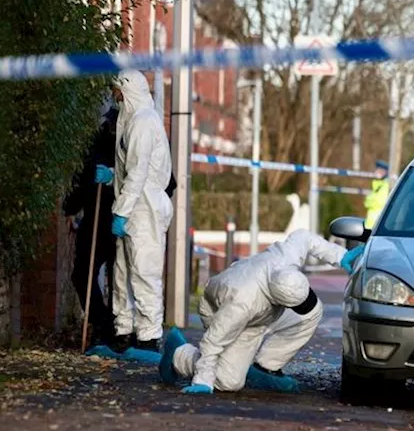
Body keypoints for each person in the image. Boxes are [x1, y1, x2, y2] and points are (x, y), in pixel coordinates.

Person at [159, 230, 365, 394]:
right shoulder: (240, 305)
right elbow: (213, 341)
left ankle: (266, 367)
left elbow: (304, 237)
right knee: (228, 382)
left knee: (312, 312)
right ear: (278, 298)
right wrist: (203, 379)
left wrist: (341, 255)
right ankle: (180, 353)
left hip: (264, 311)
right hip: (226, 313)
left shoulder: (286, 260)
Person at [93, 69, 173, 360]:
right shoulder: (132, 119)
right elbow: (134, 169)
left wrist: (122, 211)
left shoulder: (142, 122)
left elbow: (140, 172)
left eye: (117, 91)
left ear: (127, 92)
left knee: (144, 270)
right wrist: (113, 176)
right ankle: (123, 331)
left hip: (145, 206)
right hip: (134, 201)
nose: (114, 96)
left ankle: (149, 338)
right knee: (123, 272)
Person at [65, 96, 120, 351]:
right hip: (95, 221)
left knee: (119, 279)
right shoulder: (96, 144)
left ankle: (118, 333)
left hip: (122, 222)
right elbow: (83, 178)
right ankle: (104, 327)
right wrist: (71, 206)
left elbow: (162, 182)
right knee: (83, 274)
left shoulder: (138, 142)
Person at [365, 160, 391, 229]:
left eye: (380, 171)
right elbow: (367, 202)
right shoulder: (376, 185)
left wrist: (370, 200)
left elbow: (379, 202)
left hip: (377, 226)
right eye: (377, 170)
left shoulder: (385, 185)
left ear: (385, 173)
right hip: (370, 225)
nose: (377, 172)